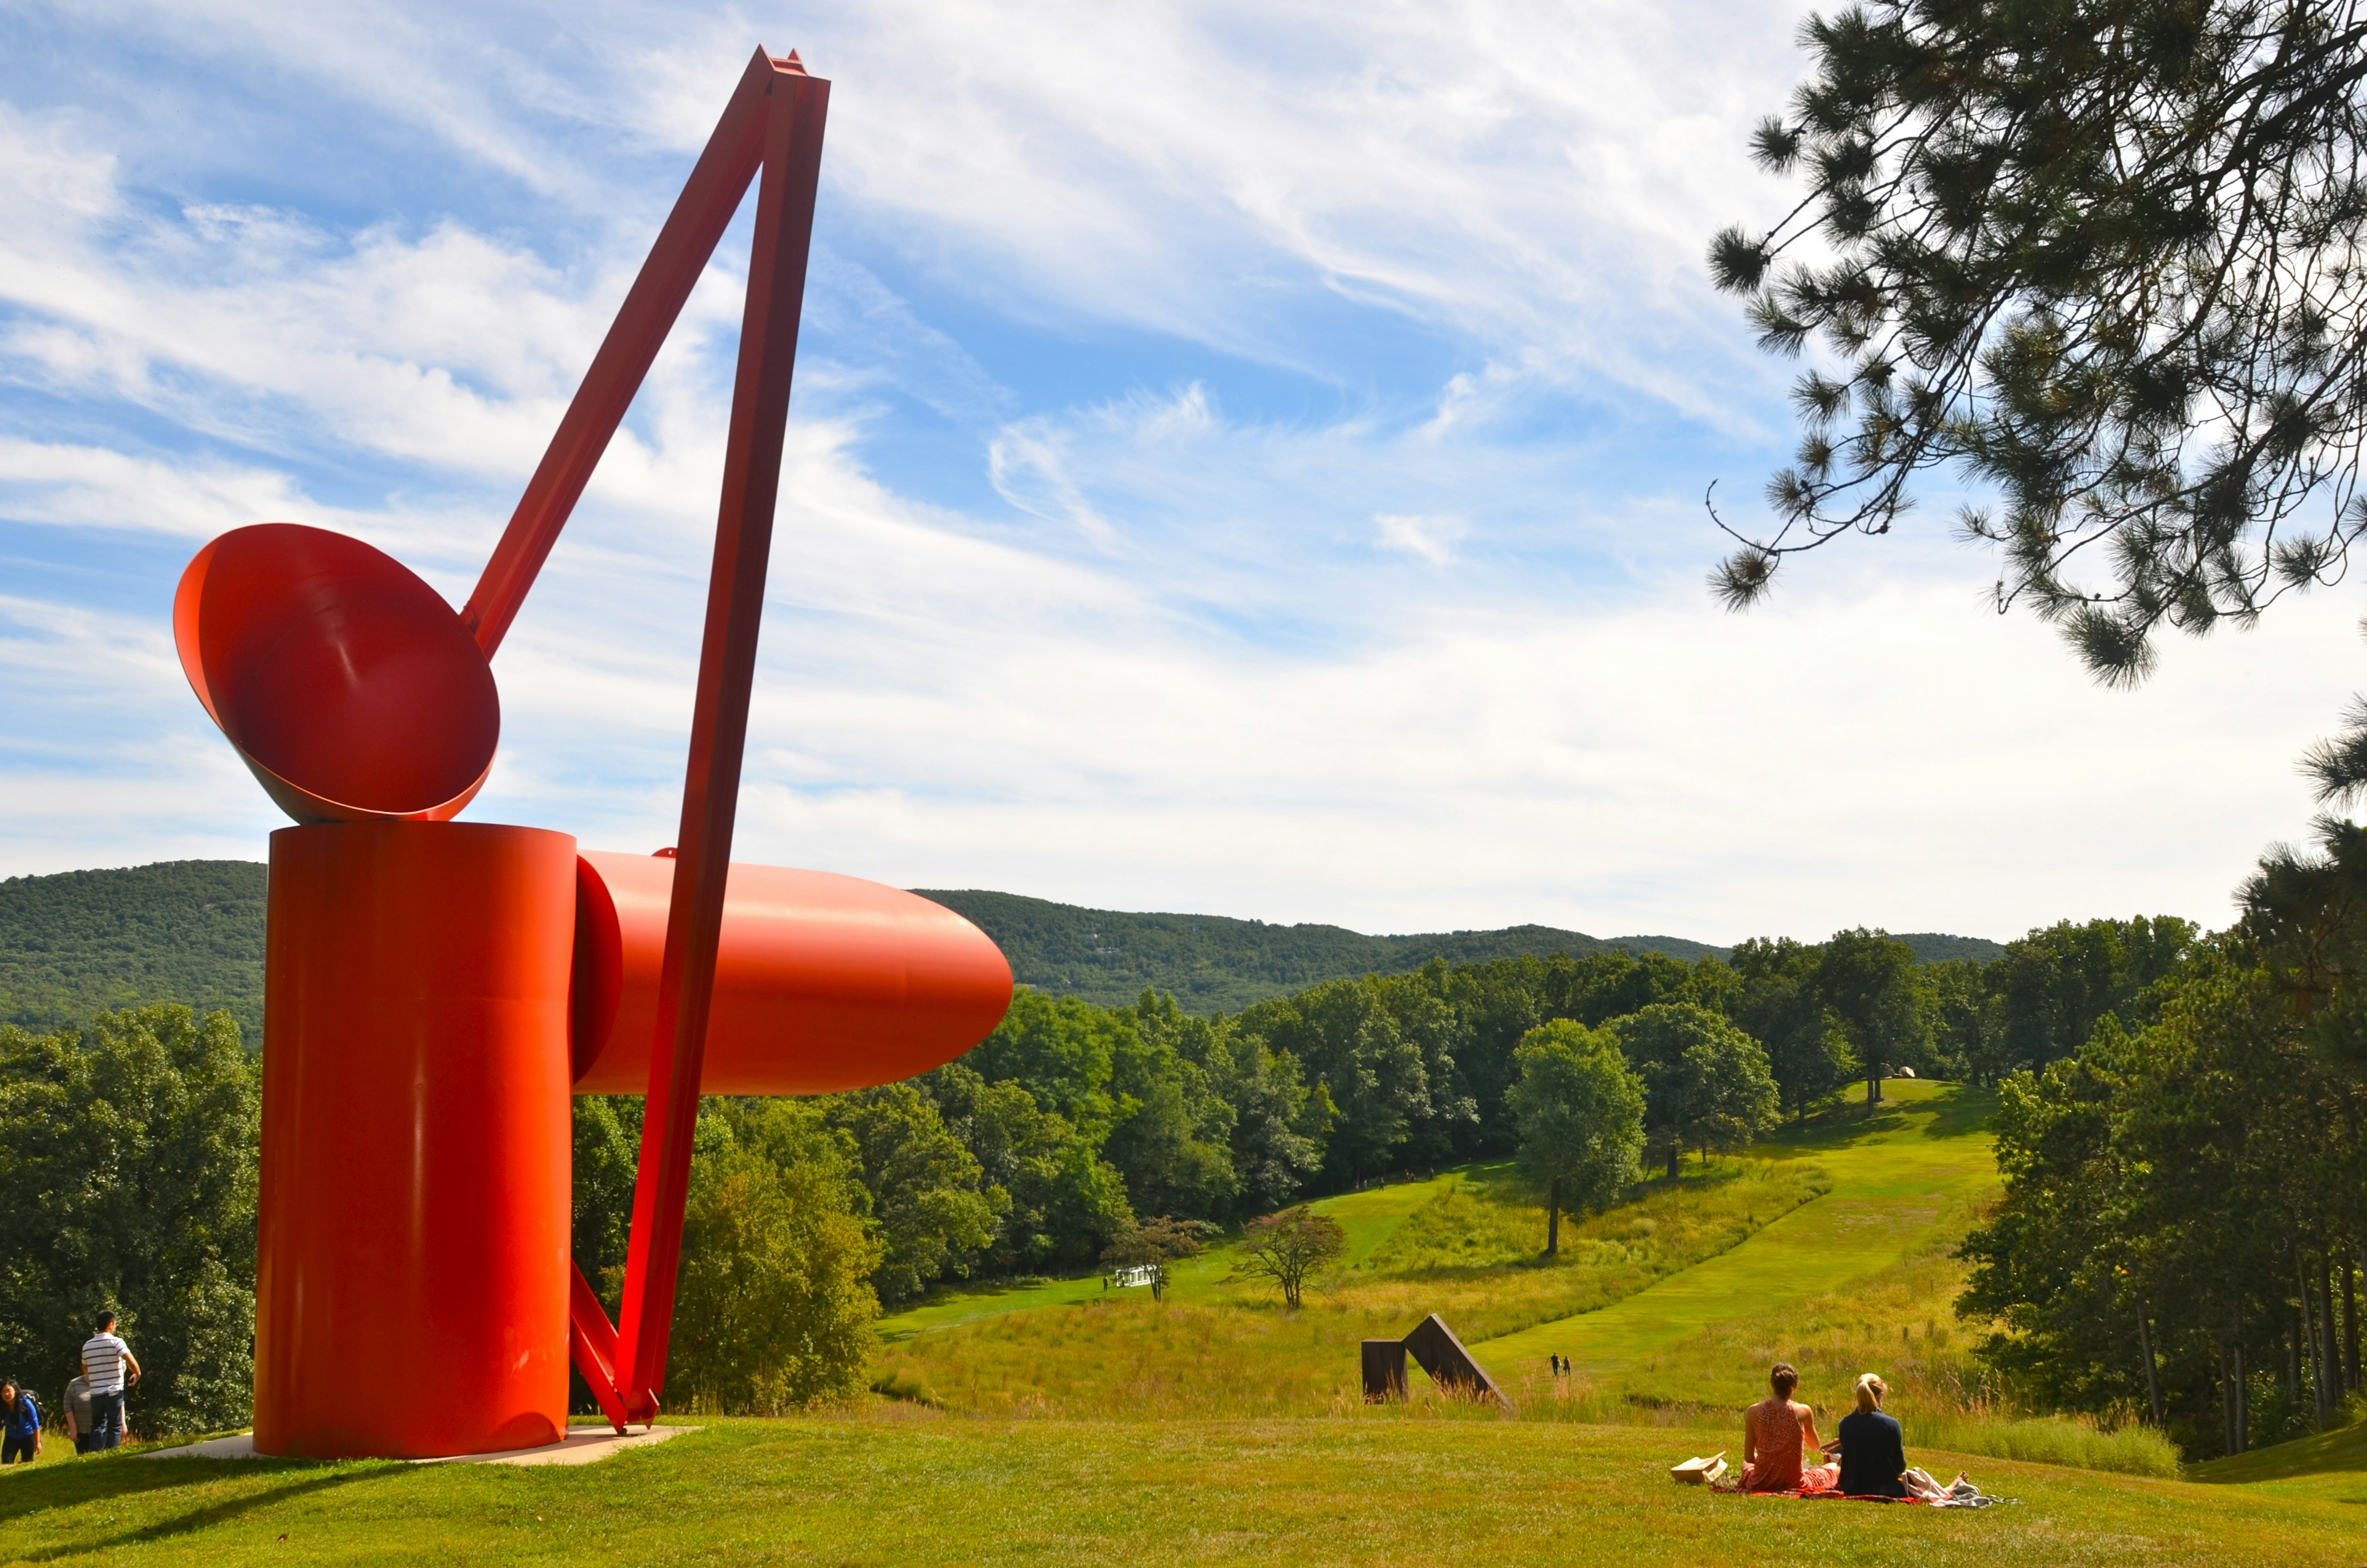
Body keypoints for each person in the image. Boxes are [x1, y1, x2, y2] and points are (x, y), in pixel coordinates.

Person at [1831, 1373, 1965, 1500]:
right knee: (1916, 1479)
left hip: (1853, 1488)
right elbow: (1900, 1466)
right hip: (1886, 1489)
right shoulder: (1891, 1424)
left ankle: (1946, 1490)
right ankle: (1947, 1490)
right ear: (1881, 1396)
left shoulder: (1846, 1424)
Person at [1738, 1362, 1837, 1493]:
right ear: (1795, 1387)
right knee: (1834, 1467)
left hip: (1761, 1481)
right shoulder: (1803, 1411)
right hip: (1794, 1481)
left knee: (1746, 1465)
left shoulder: (1753, 1411)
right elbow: (1815, 1446)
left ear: (1772, 1384)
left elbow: (1749, 1458)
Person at [81, 1312, 139, 1451]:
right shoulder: (116, 1342)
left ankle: (95, 1453)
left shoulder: (87, 1346)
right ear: (110, 1324)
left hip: (96, 1393)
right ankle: (112, 1453)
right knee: (115, 1426)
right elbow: (130, 1360)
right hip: (114, 1392)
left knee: (98, 1425)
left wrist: (92, 1380)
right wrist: (137, 1373)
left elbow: (84, 1367)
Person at [1, 1382, 41, 1464]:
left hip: (28, 1436)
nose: (6, 1394)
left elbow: (35, 1423)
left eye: (9, 1391)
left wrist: (38, 1442)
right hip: (11, 1437)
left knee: (27, 1462)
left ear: (15, 1391)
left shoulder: (26, 1404)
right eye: (3, 1391)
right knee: (6, 1462)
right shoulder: (2, 1407)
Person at [62, 1372, 92, 1454]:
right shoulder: (75, 1384)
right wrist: (73, 1428)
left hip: (103, 1431)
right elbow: (68, 1407)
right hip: (81, 1432)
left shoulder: (105, 1383)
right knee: (83, 1459)